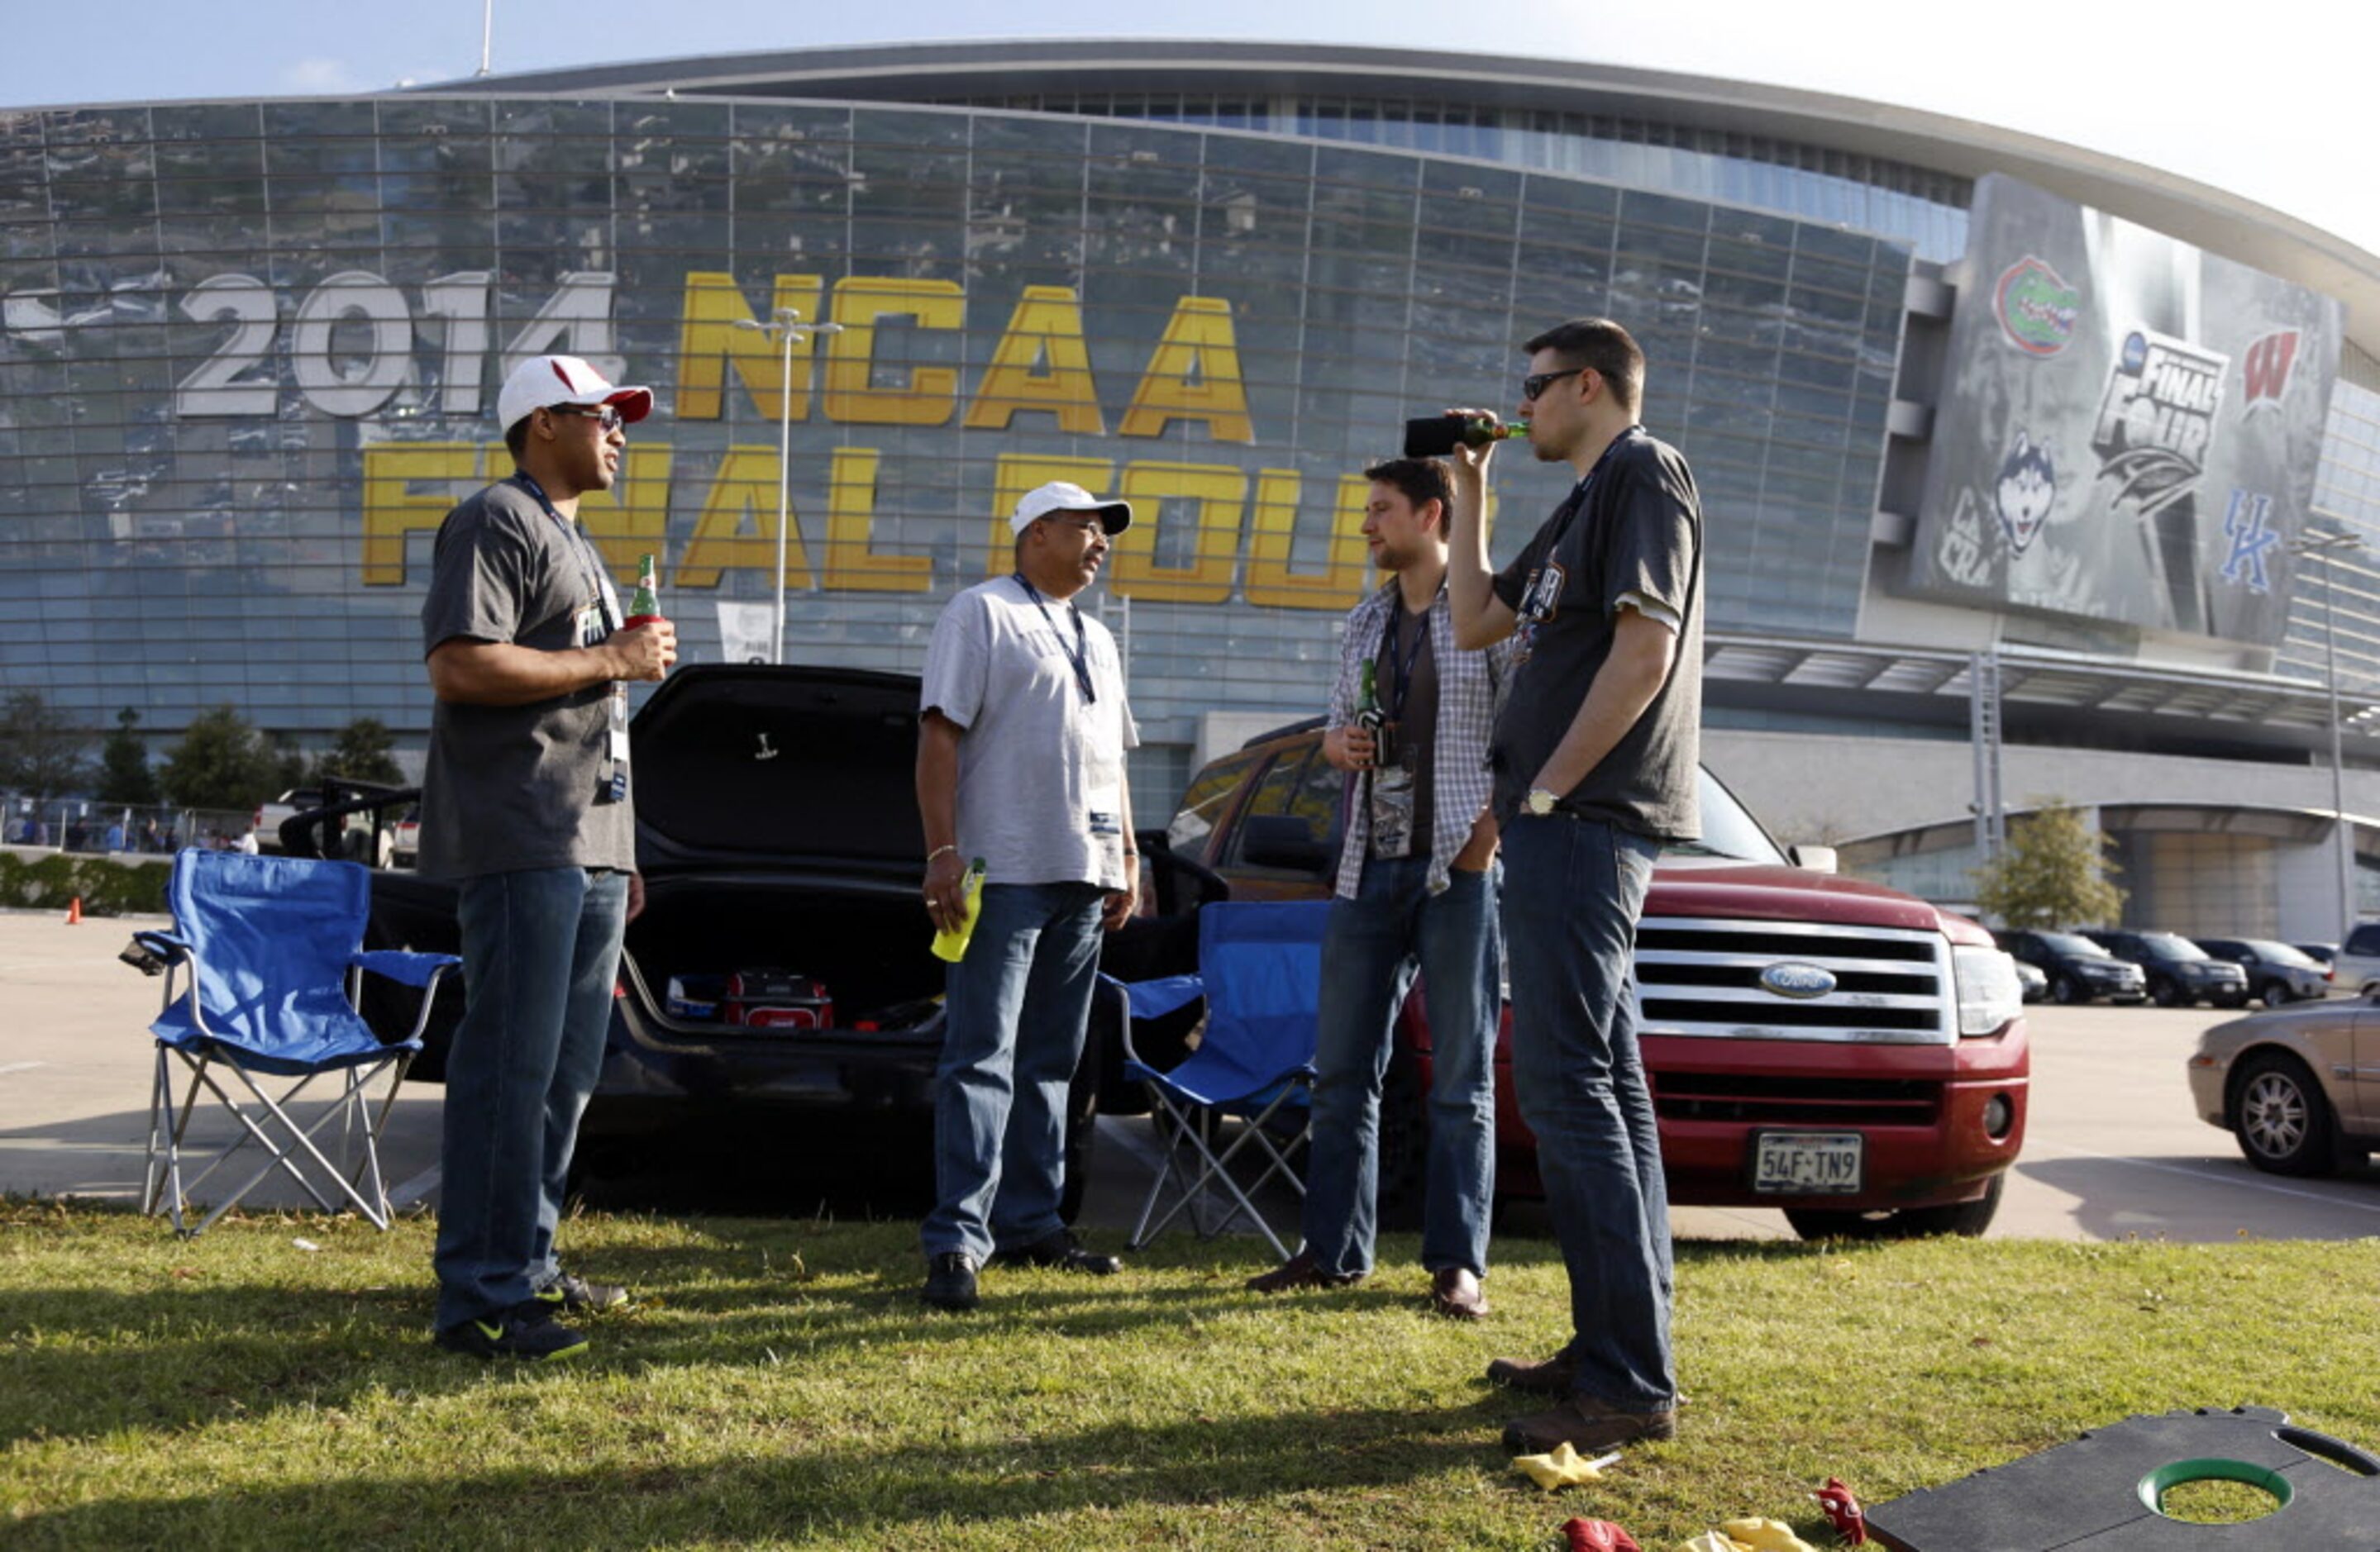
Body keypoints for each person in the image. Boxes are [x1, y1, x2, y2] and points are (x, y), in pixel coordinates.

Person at [1443, 317, 1705, 1454]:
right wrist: (1467, 488)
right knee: (1604, 1089)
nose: (1521, 405)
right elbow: (1470, 623)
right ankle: (1612, 1347)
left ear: (1586, 384)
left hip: (1583, 823)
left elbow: (1642, 653)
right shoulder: (1576, 500)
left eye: (1533, 388)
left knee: (1563, 1091)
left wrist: (1542, 792)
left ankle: (1625, 1381)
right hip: (1569, 825)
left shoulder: (1642, 473)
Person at [418, 353, 675, 1361]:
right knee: (509, 1071)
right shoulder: (497, 518)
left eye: (624, 417)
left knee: (564, 1076)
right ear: (541, 424)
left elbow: (591, 714)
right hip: (525, 835)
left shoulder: (574, 538)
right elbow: (460, 663)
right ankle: (478, 1295)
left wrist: (624, 848)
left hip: (587, 841)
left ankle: (524, 1264)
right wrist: (613, 657)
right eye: (602, 413)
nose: (620, 430)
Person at [1245, 457, 1505, 1319]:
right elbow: (1330, 732)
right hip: (1366, 865)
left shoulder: (1492, 616)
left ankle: (1456, 1266)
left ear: (1432, 515)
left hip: (1454, 870)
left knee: (1460, 1080)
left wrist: (1481, 841)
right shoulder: (1363, 620)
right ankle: (1330, 1252)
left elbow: (1522, 739)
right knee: (1343, 1074)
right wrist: (1338, 746)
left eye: (1380, 511)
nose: (1365, 526)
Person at [914, 480, 1141, 1312]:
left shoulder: (1100, 637)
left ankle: (1032, 1224)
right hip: (1000, 873)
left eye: (1103, 533)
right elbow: (938, 735)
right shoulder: (979, 613)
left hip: (1082, 875)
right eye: (1085, 529)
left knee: (1051, 1062)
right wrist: (942, 851)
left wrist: (1126, 851)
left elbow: (1112, 756)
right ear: (1034, 533)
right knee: (981, 1058)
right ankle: (956, 1241)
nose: (1099, 543)